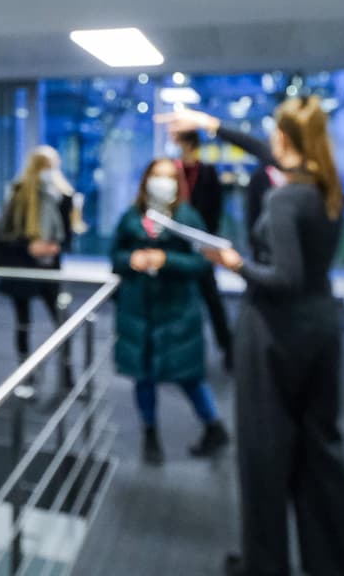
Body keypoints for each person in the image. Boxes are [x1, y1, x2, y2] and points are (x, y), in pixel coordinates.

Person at [162, 100, 344, 576]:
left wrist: (235, 263)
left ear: (285, 139)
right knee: (321, 453)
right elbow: (263, 154)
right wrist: (210, 125)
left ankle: (264, 565)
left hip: (275, 333)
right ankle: (337, 563)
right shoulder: (324, 183)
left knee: (263, 454)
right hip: (321, 329)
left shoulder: (283, 199)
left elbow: (282, 278)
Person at [111, 158, 231, 465]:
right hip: (138, 311)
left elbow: (203, 262)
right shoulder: (130, 217)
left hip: (177, 311)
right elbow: (116, 256)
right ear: (145, 180)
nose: (161, 183)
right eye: (156, 176)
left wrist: (167, 260)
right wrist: (132, 259)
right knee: (143, 377)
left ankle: (213, 426)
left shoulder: (187, 217)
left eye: (168, 177)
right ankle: (149, 433)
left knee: (189, 377)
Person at [0, 147, 79, 388]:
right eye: (43, 165)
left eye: (51, 165)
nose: (47, 171)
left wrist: (55, 247)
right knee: (23, 323)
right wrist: (29, 247)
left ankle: (68, 375)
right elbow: (4, 235)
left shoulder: (64, 195)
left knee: (61, 321)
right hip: (23, 269)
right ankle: (25, 376)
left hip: (51, 269)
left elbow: (68, 234)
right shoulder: (18, 194)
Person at [177, 129, 236, 371]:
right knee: (179, 300)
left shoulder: (207, 172)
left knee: (212, 298)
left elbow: (215, 208)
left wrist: (206, 240)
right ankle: (179, 352)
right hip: (179, 243)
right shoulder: (174, 169)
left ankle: (228, 349)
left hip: (202, 244)